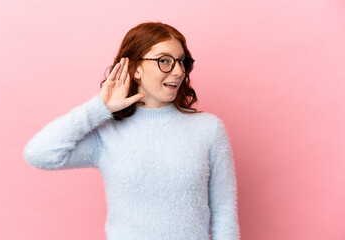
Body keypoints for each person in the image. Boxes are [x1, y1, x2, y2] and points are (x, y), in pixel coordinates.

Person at [23, 22, 240, 240]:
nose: (178, 71)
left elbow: (224, 214)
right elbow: (39, 153)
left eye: (182, 62)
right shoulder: (107, 133)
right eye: (165, 61)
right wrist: (99, 107)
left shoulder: (209, 129)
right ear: (135, 68)